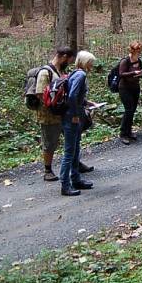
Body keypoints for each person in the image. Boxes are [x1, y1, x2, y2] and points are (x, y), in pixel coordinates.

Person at [35, 47, 94, 182]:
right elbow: (40, 94)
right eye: (69, 60)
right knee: (50, 142)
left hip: (63, 113)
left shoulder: (61, 71)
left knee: (72, 142)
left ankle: (76, 165)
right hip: (49, 115)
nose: (70, 63)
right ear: (63, 56)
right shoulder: (45, 72)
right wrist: (55, 106)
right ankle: (48, 170)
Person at [60, 50, 97, 196]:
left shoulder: (75, 73)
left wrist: (87, 102)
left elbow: (76, 95)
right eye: (91, 62)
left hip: (73, 115)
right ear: (85, 62)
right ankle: (65, 184)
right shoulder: (81, 75)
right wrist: (75, 114)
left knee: (75, 149)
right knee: (69, 152)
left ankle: (76, 179)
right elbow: (72, 96)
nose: (92, 65)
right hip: (72, 117)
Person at [118, 40, 142, 145]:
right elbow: (121, 74)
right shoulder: (125, 61)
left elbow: (139, 74)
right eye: (137, 50)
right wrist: (133, 72)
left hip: (135, 87)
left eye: (140, 50)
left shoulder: (139, 60)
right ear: (133, 50)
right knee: (128, 109)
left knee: (133, 110)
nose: (139, 52)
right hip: (124, 88)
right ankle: (123, 133)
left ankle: (129, 131)